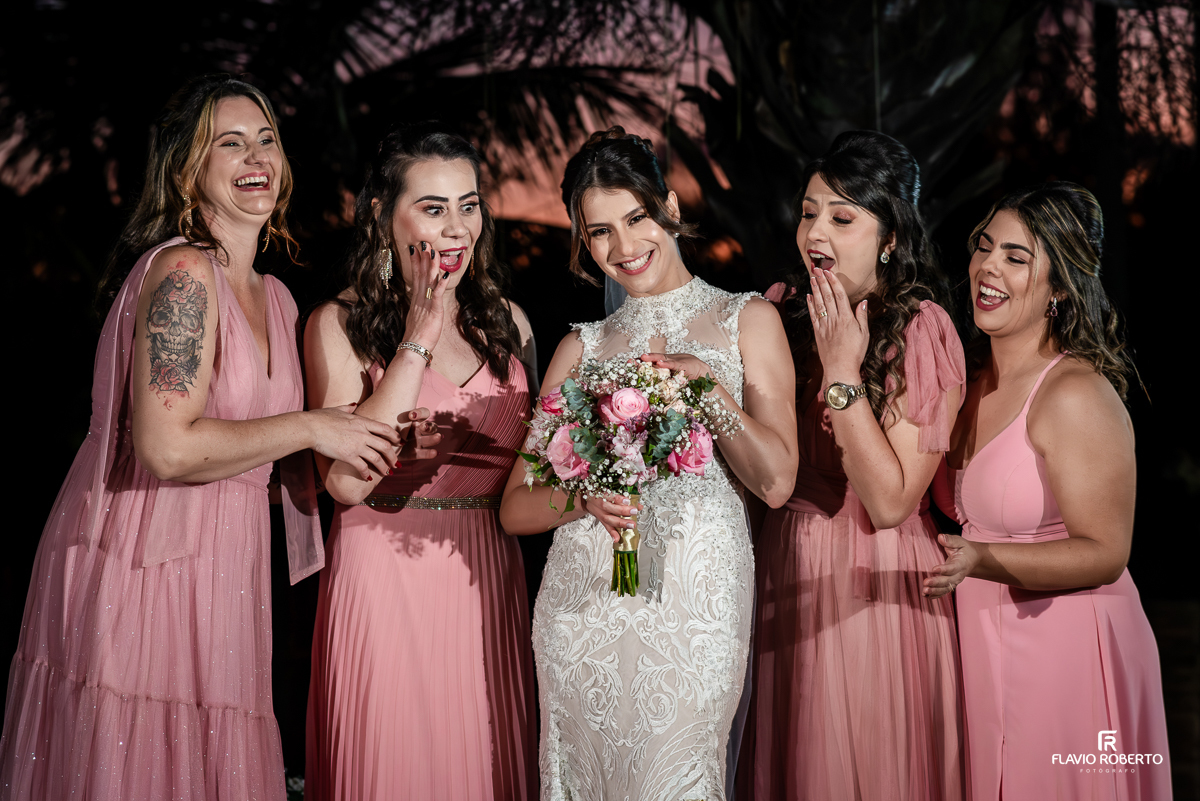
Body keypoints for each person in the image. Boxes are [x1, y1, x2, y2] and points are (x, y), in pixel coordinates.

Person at [0, 75, 406, 801]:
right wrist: (314, 425)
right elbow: (168, 447)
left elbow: (285, 448)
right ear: (190, 168)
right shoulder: (185, 272)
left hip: (226, 570)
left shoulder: (278, 296)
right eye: (230, 142)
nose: (256, 156)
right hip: (142, 561)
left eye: (267, 140)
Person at [499, 127, 798, 801]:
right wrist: (584, 498)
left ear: (669, 207)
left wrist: (706, 390)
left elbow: (777, 481)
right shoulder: (582, 347)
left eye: (636, 217)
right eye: (599, 231)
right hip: (583, 609)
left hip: (695, 609)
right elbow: (517, 505)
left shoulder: (745, 319)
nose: (624, 247)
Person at [303, 126, 539, 801]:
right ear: (382, 214)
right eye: (433, 208)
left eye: (468, 205)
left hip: (488, 574)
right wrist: (417, 339)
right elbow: (346, 481)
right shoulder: (340, 325)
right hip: (385, 576)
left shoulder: (510, 324)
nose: (458, 225)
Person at [924, 182, 1171, 800]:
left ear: (1060, 287)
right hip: (988, 639)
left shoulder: (1075, 394)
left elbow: (1106, 550)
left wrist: (981, 559)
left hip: (1068, 647)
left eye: (1017, 257)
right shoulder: (968, 381)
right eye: (985, 247)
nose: (988, 267)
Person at [741, 130, 966, 800]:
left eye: (843, 217)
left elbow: (892, 499)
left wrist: (842, 371)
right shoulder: (780, 308)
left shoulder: (919, 328)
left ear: (890, 235)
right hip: (784, 566)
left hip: (872, 580)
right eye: (810, 212)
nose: (818, 231)